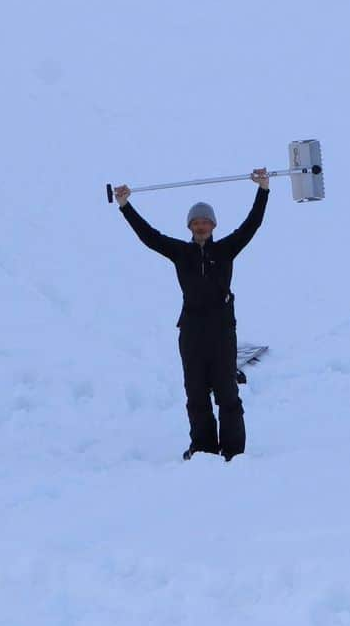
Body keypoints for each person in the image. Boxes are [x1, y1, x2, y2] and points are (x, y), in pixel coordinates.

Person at [113, 169, 270, 461]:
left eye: (205, 221)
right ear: (190, 226)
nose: (201, 226)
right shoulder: (180, 253)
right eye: (196, 222)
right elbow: (149, 237)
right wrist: (125, 206)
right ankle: (204, 447)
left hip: (222, 332)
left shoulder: (225, 250)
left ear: (213, 225)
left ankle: (234, 451)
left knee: (227, 394)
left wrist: (263, 189)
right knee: (196, 395)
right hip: (192, 332)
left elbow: (252, 225)